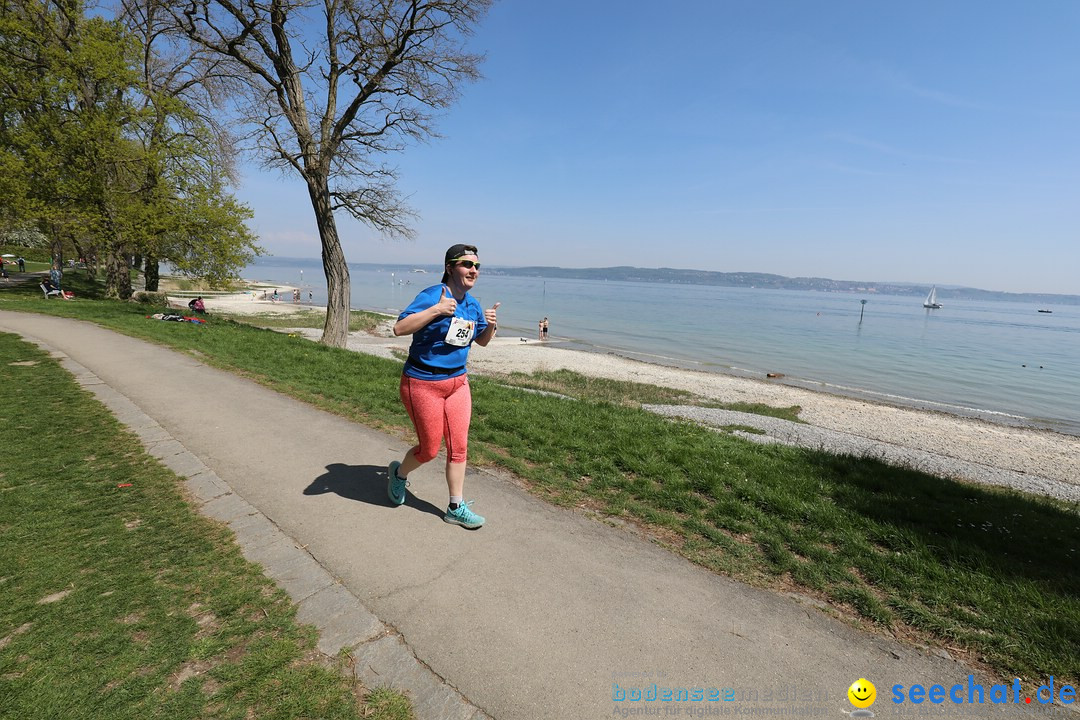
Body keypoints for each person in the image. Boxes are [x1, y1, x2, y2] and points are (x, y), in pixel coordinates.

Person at [388, 243, 499, 529]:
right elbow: (400, 328)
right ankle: (399, 474)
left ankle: (455, 506)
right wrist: (437, 310)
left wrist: (491, 325)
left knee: (459, 447)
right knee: (428, 450)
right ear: (450, 268)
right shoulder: (432, 295)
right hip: (422, 383)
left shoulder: (472, 304)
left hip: (458, 383)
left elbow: (482, 342)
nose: (473, 270)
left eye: (476, 266)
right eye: (466, 264)